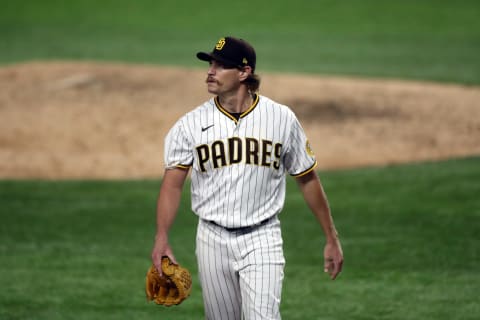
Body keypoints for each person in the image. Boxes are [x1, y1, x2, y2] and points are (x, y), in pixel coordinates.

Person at [151, 36, 343, 320]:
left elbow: (307, 178)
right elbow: (172, 184)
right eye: (210, 64)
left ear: (244, 72)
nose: (210, 71)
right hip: (211, 239)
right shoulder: (189, 124)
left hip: (262, 236)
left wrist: (331, 237)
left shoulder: (281, 119)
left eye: (221, 65)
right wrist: (162, 237)